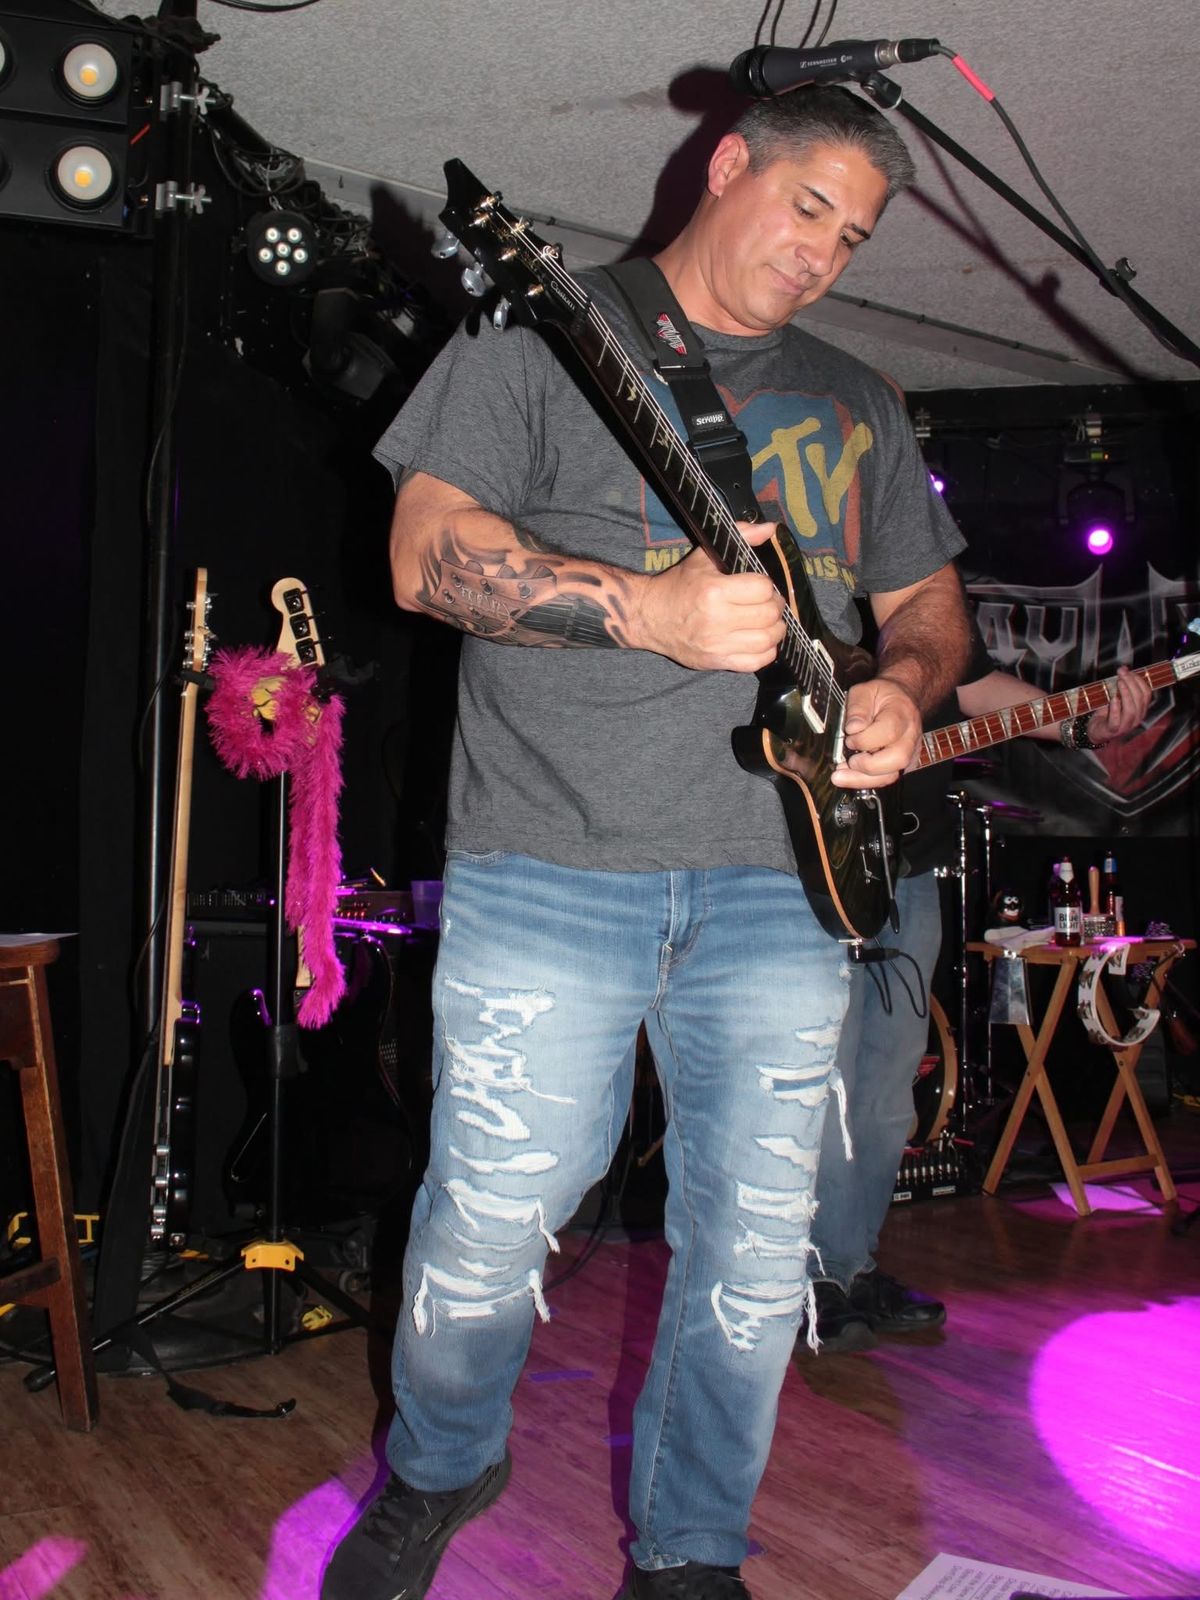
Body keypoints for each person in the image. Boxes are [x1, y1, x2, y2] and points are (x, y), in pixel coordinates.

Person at [322, 87, 970, 1600]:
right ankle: (442, 1462)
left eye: (853, 237)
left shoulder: (857, 400)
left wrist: (902, 682)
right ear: (727, 164)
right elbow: (422, 558)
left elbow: (932, 604)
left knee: (751, 1255)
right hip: (551, 857)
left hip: (784, 881)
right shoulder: (540, 338)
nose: (822, 253)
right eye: (807, 206)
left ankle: (691, 1552)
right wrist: (648, 612)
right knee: (488, 1226)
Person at [805, 646, 1154, 1352]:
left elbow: (971, 683)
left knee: (886, 1094)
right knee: (823, 1084)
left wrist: (1083, 724)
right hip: (817, 857)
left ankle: (851, 1265)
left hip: (908, 861)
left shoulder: (921, 599)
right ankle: (806, 1277)